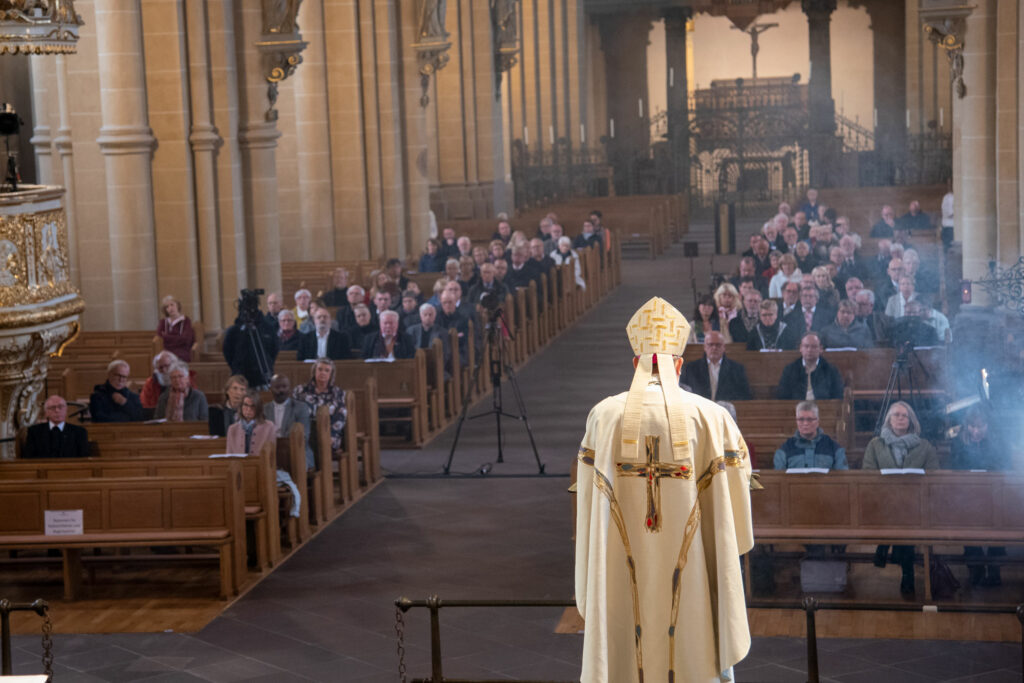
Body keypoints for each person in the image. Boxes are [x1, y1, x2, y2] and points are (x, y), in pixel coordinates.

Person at [575, 297, 753, 683]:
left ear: (634, 363)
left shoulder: (603, 416)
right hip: (691, 573)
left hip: (621, 565)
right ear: (678, 364)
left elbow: (587, 497)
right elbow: (736, 500)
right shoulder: (711, 416)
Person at [863, 401, 938, 595]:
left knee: (906, 515)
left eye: (904, 415)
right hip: (883, 501)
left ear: (911, 420)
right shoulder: (875, 444)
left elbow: (934, 476)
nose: (900, 418)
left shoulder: (925, 446)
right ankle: (907, 572)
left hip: (916, 504)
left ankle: (885, 547)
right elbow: (868, 474)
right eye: (896, 415)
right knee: (900, 515)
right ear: (888, 419)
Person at [950, 409, 1005, 585]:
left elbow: (1006, 468)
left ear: (987, 426)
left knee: (1000, 523)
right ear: (967, 426)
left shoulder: (998, 443)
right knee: (967, 523)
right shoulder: (959, 444)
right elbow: (954, 469)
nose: (976, 431)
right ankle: (976, 568)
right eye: (972, 426)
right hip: (967, 496)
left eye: (980, 426)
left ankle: (994, 569)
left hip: (994, 495)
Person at [227, 391, 302, 519]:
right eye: (245, 405)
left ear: (258, 408)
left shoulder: (268, 426)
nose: (248, 409)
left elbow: (269, 454)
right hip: (239, 471)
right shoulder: (233, 428)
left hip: (260, 471)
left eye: (252, 406)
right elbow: (229, 454)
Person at [773, 401, 848, 470]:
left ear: (818, 421)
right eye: (801, 419)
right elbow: (779, 479)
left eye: (810, 419)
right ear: (796, 421)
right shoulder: (784, 449)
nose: (805, 423)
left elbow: (842, 477)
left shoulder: (833, 448)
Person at [293, 358, 348, 452]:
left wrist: (332, 435)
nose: (323, 373)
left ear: (331, 374)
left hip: (330, 434)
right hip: (306, 433)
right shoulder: (301, 390)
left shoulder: (337, 392)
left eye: (327, 370)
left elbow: (341, 415)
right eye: (320, 369)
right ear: (314, 371)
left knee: (322, 442)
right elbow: (294, 412)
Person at [681, 331, 753, 401]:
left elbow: (745, 395)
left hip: (726, 410)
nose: (714, 348)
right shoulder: (690, 368)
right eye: (710, 344)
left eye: (718, 345)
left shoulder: (737, 369)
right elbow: (683, 393)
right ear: (705, 347)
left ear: (724, 347)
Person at [775, 332, 844, 400]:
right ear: (800, 348)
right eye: (806, 346)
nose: (809, 350)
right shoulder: (790, 370)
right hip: (796, 409)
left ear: (820, 349)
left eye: (814, 347)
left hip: (823, 409)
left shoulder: (831, 370)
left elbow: (838, 396)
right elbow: (782, 396)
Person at [265, 374, 314, 470]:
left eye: (284, 387)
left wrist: (283, 446)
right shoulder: (264, 409)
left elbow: (304, 436)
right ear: (271, 389)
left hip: (296, 450)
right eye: (277, 387)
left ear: (289, 388)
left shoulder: (301, 407)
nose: (281, 390)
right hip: (272, 451)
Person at [22, 395, 89, 459]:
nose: (57, 410)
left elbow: (84, 458)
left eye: (60, 407)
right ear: (46, 412)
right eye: (53, 408)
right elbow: (28, 457)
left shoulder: (79, 432)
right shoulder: (35, 432)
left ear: (66, 410)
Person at [156, 295, 195, 362]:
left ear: (177, 305)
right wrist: (177, 337)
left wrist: (166, 336)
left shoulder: (185, 321)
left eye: (172, 305)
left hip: (182, 351)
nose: (170, 308)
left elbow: (186, 340)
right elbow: (159, 337)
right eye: (167, 307)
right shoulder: (163, 322)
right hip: (166, 351)